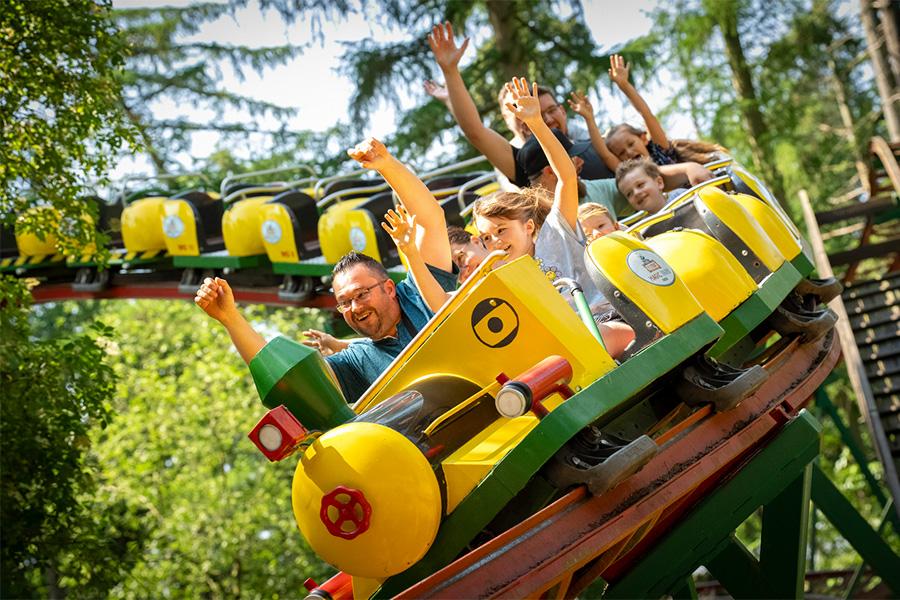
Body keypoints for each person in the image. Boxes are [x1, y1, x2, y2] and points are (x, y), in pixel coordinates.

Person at [194, 139, 458, 403]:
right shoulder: (357, 361)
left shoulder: (420, 292)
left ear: (389, 288)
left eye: (361, 294)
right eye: (344, 303)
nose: (354, 307)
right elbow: (289, 381)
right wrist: (230, 318)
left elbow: (431, 219)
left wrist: (385, 165)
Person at [472, 76, 635, 358]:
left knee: (587, 345)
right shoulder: (506, 279)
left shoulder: (557, 232)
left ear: (529, 226)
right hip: (568, 346)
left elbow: (566, 177)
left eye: (501, 230)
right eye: (486, 238)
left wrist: (536, 123)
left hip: (609, 321)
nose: (495, 242)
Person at [427, 22, 615, 189]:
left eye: (550, 110)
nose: (547, 120)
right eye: (534, 114)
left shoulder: (595, 144)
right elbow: (475, 131)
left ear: (562, 111)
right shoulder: (528, 166)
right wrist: (451, 72)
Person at [605, 54, 726, 165]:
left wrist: (625, 86)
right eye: (621, 153)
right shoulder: (634, 176)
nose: (629, 152)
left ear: (643, 139)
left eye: (631, 144)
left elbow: (647, 115)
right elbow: (605, 156)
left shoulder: (660, 150)